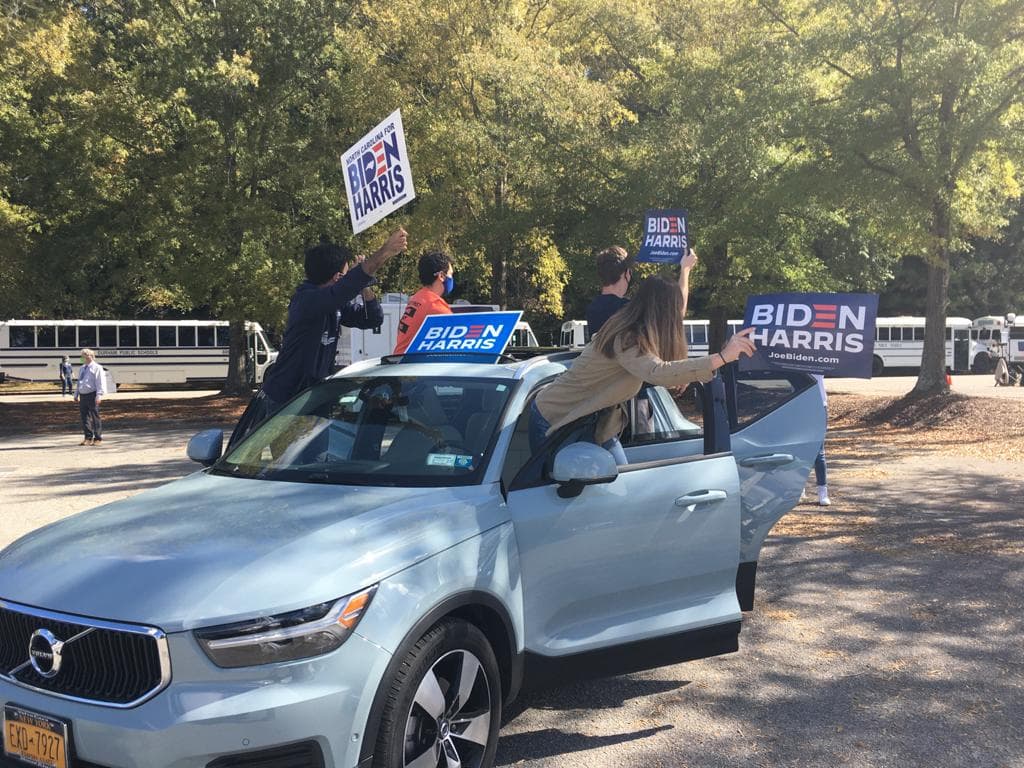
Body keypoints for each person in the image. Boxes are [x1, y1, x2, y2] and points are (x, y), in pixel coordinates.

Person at [531, 276, 756, 462]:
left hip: (596, 424)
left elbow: (659, 368)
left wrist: (685, 270)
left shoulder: (635, 332)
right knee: (570, 500)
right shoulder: (627, 336)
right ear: (663, 312)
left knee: (620, 486)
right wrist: (722, 357)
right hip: (557, 420)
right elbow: (657, 372)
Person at [228, 229, 407, 449]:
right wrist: (385, 251)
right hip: (288, 399)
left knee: (315, 460)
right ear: (337, 277)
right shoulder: (307, 300)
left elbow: (371, 320)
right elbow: (344, 289)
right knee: (291, 463)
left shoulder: (334, 303)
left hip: (316, 397)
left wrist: (366, 288)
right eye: (344, 273)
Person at [586, 246, 699, 338]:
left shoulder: (592, 308)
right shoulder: (630, 309)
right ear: (627, 274)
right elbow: (677, 312)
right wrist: (685, 270)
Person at [393, 251, 455, 354]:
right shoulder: (435, 304)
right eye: (450, 274)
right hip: (413, 365)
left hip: (401, 361)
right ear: (441, 276)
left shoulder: (417, 298)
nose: (452, 278)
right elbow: (455, 340)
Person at [74, 348, 107, 445]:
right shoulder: (82, 368)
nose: (82, 357)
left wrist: (99, 395)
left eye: (84, 355)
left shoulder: (97, 368)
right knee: (85, 417)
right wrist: (76, 393)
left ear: (90, 356)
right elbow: (79, 381)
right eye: (82, 356)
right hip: (83, 395)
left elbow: (100, 382)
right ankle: (88, 437)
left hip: (92, 394)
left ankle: (98, 438)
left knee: (95, 417)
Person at [813, 374, 831, 506]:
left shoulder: (818, 355)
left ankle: (822, 492)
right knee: (799, 449)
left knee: (819, 452)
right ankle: (799, 489)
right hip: (795, 402)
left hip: (819, 403)